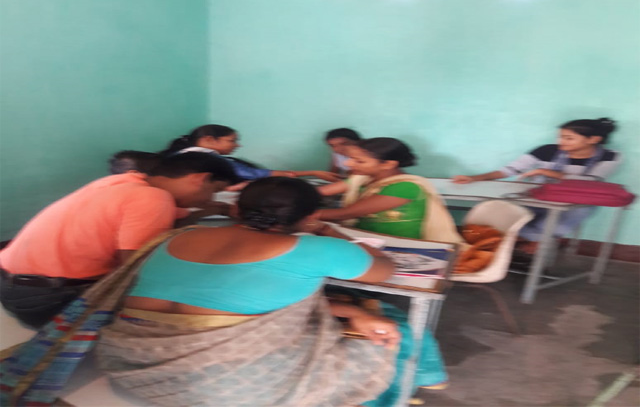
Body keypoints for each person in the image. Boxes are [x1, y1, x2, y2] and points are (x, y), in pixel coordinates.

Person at [94, 178, 447, 406]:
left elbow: (232, 301)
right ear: (310, 217)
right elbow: (384, 269)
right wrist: (330, 233)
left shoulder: (178, 237)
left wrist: (351, 311)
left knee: (349, 312)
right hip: (223, 388)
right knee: (390, 325)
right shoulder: (320, 248)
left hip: (129, 365)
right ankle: (410, 388)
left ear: (235, 208)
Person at [0, 153, 239, 328]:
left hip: (12, 286)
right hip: (50, 302)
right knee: (189, 307)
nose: (209, 198)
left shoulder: (122, 182)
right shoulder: (154, 199)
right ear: (200, 179)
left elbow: (165, 217)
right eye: (214, 190)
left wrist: (210, 210)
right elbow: (135, 270)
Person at [451, 117, 621, 250]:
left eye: (569, 138)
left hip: (577, 201)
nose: (561, 142)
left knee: (563, 219)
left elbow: (591, 181)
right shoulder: (546, 150)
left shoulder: (610, 156)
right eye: (561, 137)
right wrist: (474, 178)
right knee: (505, 216)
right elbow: (510, 170)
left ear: (593, 139)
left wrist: (546, 172)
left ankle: (529, 242)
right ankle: (533, 242)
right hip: (537, 196)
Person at [316, 138, 462, 243]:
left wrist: (304, 213)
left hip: (400, 246)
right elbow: (320, 192)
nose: (348, 163)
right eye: (350, 158)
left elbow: (345, 214)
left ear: (388, 164)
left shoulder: (405, 187)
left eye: (359, 161)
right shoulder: (363, 178)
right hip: (368, 239)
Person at [162, 124, 341, 182]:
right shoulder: (202, 158)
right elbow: (254, 174)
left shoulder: (182, 154)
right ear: (209, 140)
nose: (237, 145)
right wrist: (313, 172)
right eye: (232, 140)